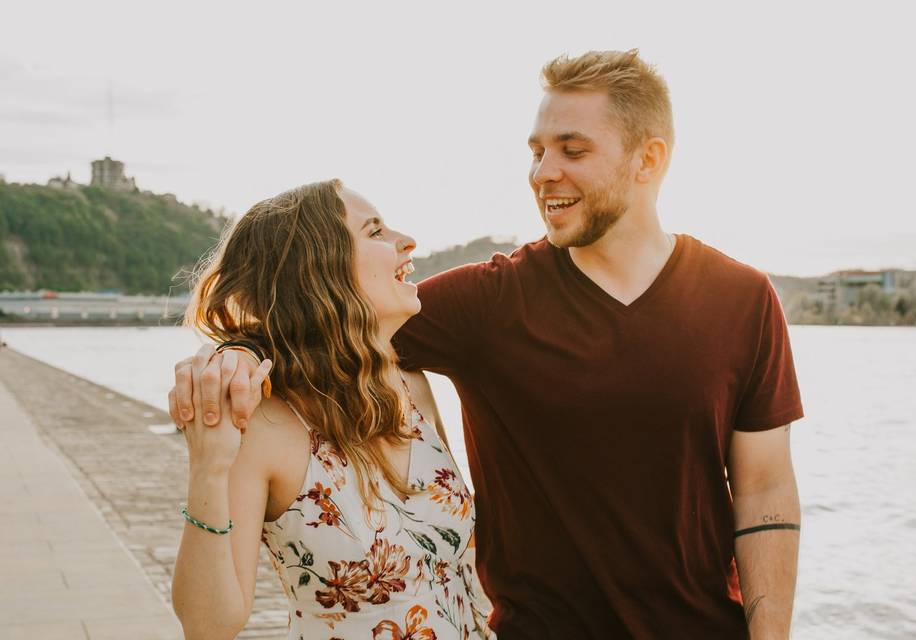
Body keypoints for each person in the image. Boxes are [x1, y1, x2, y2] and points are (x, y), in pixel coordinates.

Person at [172, 50, 803, 639]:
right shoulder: (486, 303)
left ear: (649, 159)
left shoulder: (743, 299)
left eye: (572, 149)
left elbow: (765, 487)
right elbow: (320, 320)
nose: (542, 171)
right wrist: (240, 351)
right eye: (537, 149)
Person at [169, 180, 494, 639]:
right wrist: (207, 468)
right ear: (321, 270)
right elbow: (208, 626)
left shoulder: (411, 388)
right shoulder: (264, 426)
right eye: (376, 231)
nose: (406, 241)